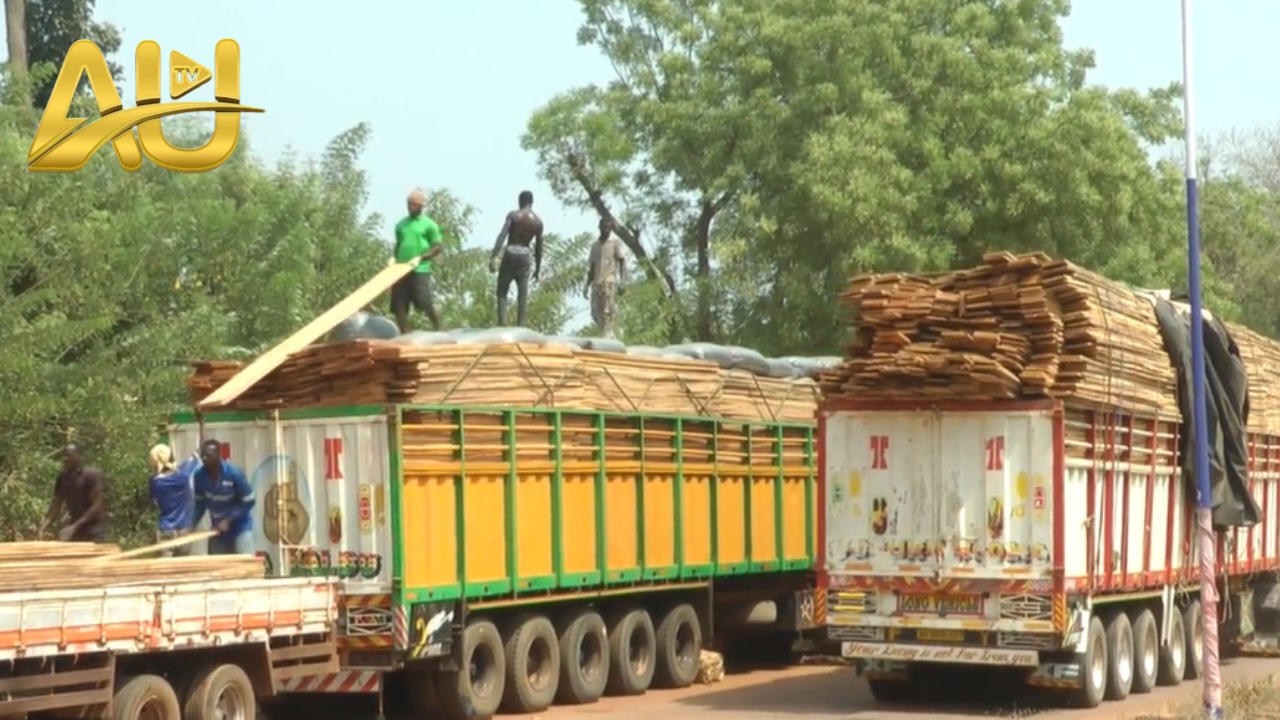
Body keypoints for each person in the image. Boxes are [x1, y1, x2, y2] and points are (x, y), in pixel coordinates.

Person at [391, 188, 444, 333]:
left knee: (424, 302)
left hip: (419, 269)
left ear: (421, 206)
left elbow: (437, 247)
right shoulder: (401, 225)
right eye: (409, 204)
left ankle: (438, 327)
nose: (410, 207)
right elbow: (399, 244)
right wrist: (393, 258)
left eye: (414, 205)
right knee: (399, 304)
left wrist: (421, 258)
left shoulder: (429, 225)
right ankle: (405, 332)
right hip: (401, 269)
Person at [488, 190, 544, 327]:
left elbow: (502, 235)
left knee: (502, 291)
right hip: (525, 256)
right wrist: (537, 268)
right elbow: (538, 247)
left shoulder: (514, 216)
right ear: (532, 202)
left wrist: (494, 255)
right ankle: (521, 324)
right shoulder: (537, 222)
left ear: (520, 201)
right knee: (522, 293)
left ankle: (502, 323)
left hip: (510, 253)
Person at [192, 438, 256, 555]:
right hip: (218, 531)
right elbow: (199, 505)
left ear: (218, 456)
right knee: (217, 569)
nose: (204, 459)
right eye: (203, 456)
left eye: (208, 455)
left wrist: (228, 520)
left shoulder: (234, 473)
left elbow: (249, 501)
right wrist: (191, 525)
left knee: (247, 566)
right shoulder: (199, 476)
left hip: (240, 528)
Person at [40, 443, 109, 543]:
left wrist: (75, 526)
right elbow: (56, 505)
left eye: (69, 455)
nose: (65, 458)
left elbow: (97, 506)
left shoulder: (90, 475)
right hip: (77, 529)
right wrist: (44, 526)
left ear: (79, 456)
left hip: (94, 529)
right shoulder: (63, 478)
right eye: (64, 456)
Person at [148, 444, 199, 557]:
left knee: (165, 570)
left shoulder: (154, 482)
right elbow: (197, 455)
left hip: (166, 530)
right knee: (181, 571)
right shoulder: (183, 474)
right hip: (184, 530)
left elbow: (155, 503)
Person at [584, 217, 629, 338]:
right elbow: (592, 266)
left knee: (608, 310)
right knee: (595, 312)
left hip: (609, 280)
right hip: (597, 281)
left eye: (609, 228)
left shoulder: (615, 243)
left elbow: (622, 261)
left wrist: (623, 281)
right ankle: (603, 330)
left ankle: (609, 333)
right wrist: (586, 285)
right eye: (604, 227)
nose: (606, 230)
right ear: (600, 228)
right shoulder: (595, 245)